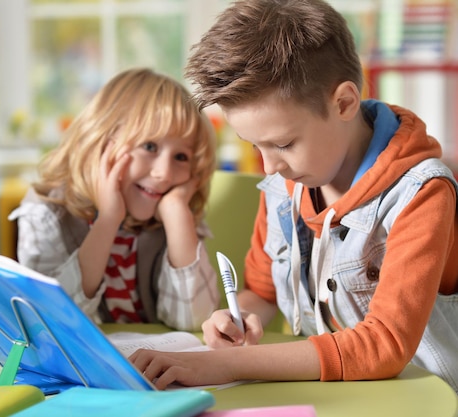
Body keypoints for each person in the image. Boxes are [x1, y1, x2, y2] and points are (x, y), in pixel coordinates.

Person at [129, 0, 458, 393]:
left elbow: (384, 344)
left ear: (344, 104)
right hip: (338, 395)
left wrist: (226, 363)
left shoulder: (422, 193)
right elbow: (263, 292)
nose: (268, 166)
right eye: (254, 145)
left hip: (427, 398)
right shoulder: (285, 186)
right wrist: (238, 317)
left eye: (283, 143)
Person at [9, 68, 220, 331]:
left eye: (181, 157)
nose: (164, 173)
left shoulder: (175, 215)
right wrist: (108, 220)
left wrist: (177, 215)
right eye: (150, 147)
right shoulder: (47, 213)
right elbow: (48, 320)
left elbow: (194, 321)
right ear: (101, 141)